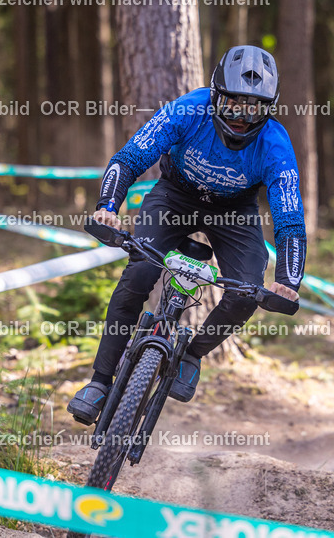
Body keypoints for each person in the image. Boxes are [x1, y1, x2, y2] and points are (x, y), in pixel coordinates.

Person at [67, 45, 307, 425]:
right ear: (215, 95)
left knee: (246, 292)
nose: (242, 118)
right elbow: (129, 158)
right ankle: (99, 382)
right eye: (233, 105)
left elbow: (290, 219)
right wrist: (107, 208)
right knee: (140, 274)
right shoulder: (188, 109)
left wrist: (288, 281)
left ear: (270, 106)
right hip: (174, 196)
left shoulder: (275, 144)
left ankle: (191, 354)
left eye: (254, 107)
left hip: (234, 212)